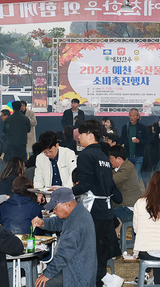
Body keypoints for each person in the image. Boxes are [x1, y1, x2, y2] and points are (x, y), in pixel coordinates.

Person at [72, 120, 122, 287]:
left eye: (81, 134)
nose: (78, 137)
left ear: (91, 136)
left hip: (92, 211)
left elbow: (85, 185)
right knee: (100, 255)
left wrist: (64, 193)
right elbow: (112, 190)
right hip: (106, 212)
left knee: (88, 253)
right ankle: (101, 282)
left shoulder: (86, 155)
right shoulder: (103, 156)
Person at [31, 187, 100, 287]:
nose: (53, 211)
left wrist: (47, 274)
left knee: (41, 284)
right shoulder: (77, 212)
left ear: (67, 205)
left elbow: (64, 254)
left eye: (55, 208)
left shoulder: (75, 223)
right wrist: (43, 223)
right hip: (77, 268)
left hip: (77, 275)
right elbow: (60, 222)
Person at [109, 144, 142, 224]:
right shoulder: (119, 167)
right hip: (122, 205)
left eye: (111, 159)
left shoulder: (127, 168)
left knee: (107, 219)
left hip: (129, 208)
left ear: (119, 159)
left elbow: (111, 180)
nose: (109, 161)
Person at [119, 108, 149, 180]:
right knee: (127, 175)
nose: (131, 117)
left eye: (133, 116)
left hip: (138, 156)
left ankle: (135, 190)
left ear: (137, 117)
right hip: (128, 155)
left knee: (136, 175)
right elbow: (122, 140)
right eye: (130, 115)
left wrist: (139, 141)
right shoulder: (125, 127)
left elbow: (147, 140)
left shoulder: (142, 127)